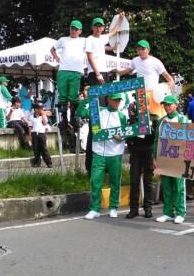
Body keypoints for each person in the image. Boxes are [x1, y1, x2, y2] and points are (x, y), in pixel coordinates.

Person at [78, 91, 127, 219]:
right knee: (95, 181)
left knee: (115, 181)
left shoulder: (122, 116)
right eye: (114, 100)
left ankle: (113, 207)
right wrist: (87, 98)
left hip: (115, 153)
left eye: (119, 100)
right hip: (99, 152)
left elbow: (125, 133)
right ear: (108, 100)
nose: (117, 102)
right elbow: (81, 112)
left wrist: (121, 138)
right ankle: (94, 208)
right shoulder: (98, 111)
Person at [154, 95, 188, 223]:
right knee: (167, 186)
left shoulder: (183, 119)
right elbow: (157, 140)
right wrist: (154, 157)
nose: (167, 107)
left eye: (169, 104)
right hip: (164, 158)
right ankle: (167, 212)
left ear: (176, 105)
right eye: (165, 105)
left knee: (179, 187)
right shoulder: (161, 121)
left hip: (179, 159)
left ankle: (180, 213)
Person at [125, 102, 156, 219]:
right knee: (134, 181)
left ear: (148, 107)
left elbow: (156, 136)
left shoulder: (154, 118)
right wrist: (131, 147)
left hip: (149, 151)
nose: (142, 108)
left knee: (148, 180)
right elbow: (128, 136)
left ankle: (148, 208)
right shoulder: (132, 120)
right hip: (136, 152)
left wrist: (151, 127)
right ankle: (134, 209)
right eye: (139, 106)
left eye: (145, 105)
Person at [51, 20, 87, 109]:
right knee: (62, 96)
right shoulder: (63, 39)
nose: (73, 31)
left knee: (73, 96)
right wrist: (57, 57)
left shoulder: (84, 40)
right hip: (63, 70)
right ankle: (64, 120)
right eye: (72, 28)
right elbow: (52, 49)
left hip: (76, 71)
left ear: (80, 31)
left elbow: (96, 45)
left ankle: (74, 117)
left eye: (76, 29)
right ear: (70, 29)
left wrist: (112, 47)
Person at [85, 13, 124, 86]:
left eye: (100, 26)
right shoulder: (89, 39)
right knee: (96, 96)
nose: (98, 28)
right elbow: (90, 58)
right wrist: (98, 74)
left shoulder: (103, 38)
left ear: (103, 28)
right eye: (96, 26)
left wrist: (120, 20)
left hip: (104, 71)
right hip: (94, 73)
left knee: (103, 96)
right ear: (92, 27)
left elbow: (113, 32)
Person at [30, 103, 53, 168]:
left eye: (41, 108)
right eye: (39, 108)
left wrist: (43, 115)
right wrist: (30, 136)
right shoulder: (31, 116)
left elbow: (45, 123)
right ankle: (37, 162)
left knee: (44, 149)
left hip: (41, 134)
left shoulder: (43, 115)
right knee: (36, 149)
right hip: (34, 133)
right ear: (35, 109)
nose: (41, 110)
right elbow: (30, 127)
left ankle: (49, 163)